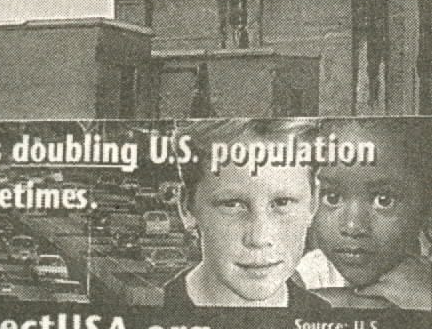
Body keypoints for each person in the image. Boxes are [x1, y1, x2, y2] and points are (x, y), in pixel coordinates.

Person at [163, 120, 328, 310]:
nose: (259, 238)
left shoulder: (324, 315)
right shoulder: (153, 306)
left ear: (313, 203)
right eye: (232, 204)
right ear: (187, 208)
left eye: (282, 202)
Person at [296, 119, 431, 311]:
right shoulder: (310, 273)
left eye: (383, 200)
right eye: (332, 197)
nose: (352, 226)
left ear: (426, 207)